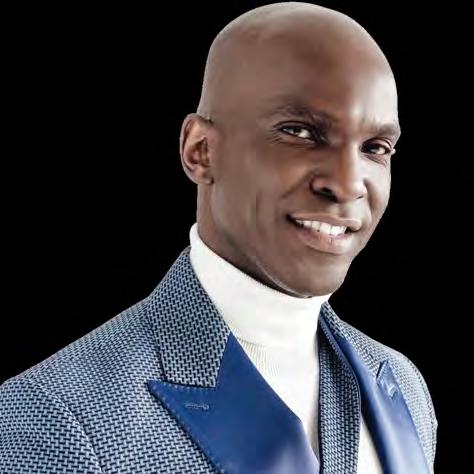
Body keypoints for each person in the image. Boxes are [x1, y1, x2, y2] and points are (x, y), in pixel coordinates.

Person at [0, 2, 437, 473]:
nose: (348, 184)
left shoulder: (403, 387)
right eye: (299, 132)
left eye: (375, 148)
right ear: (201, 151)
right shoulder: (58, 414)